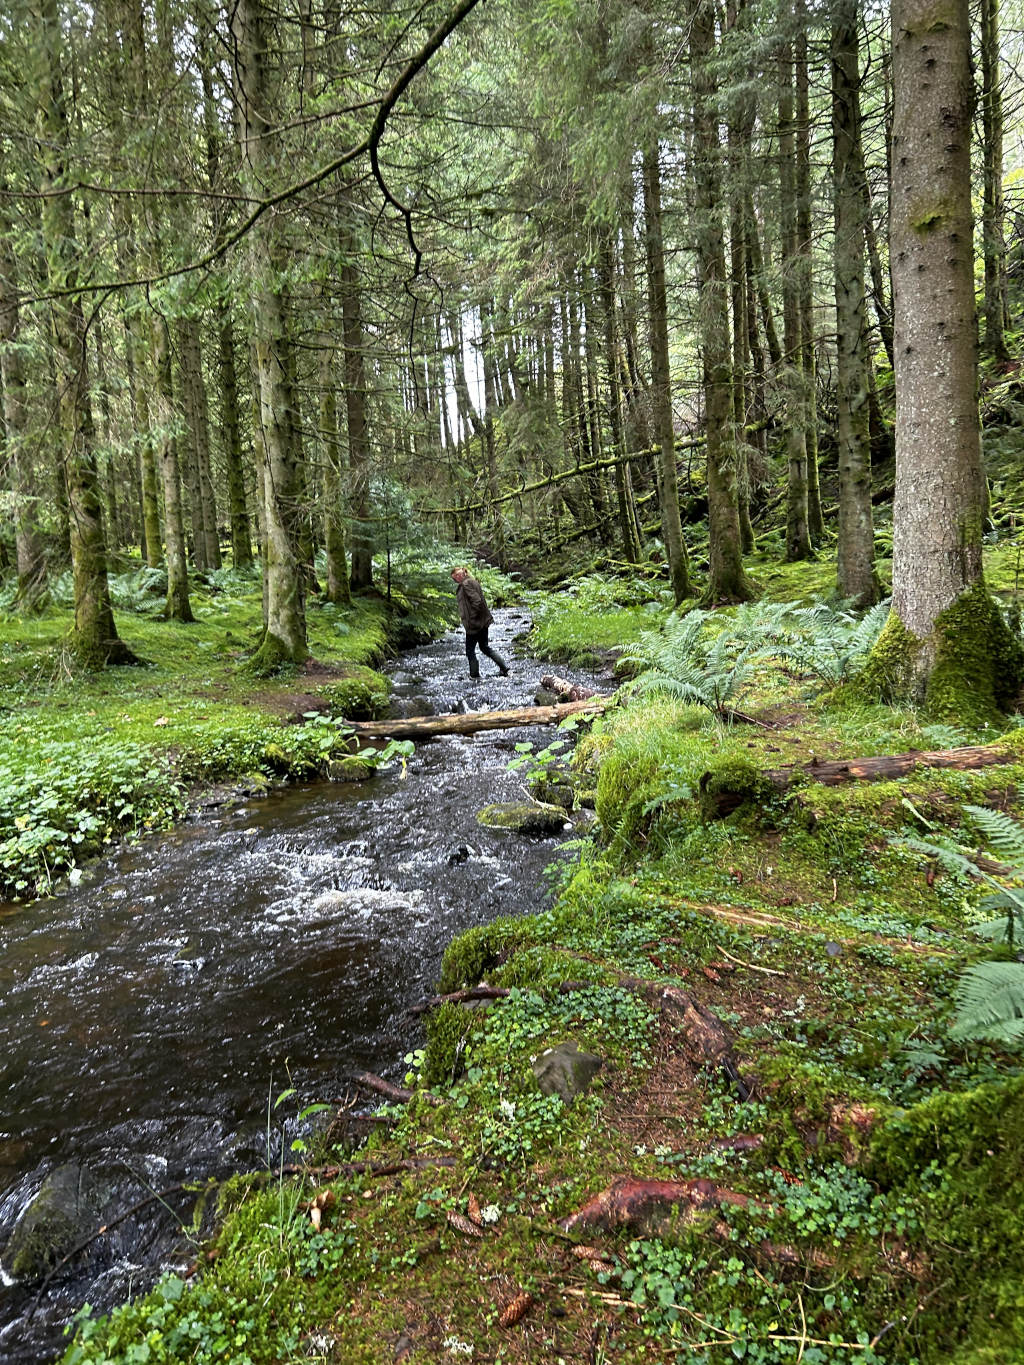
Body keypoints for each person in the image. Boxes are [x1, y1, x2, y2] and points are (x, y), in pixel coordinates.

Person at [451, 566, 510, 680]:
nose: (456, 580)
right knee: (484, 647)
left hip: (474, 624)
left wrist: (472, 619)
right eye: (454, 579)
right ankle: (505, 668)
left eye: (456, 577)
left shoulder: (466, 584)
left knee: (470, 651)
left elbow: (477, 601)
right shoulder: (473, 582)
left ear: (460, 575)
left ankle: (474, 675)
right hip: (483, 622)